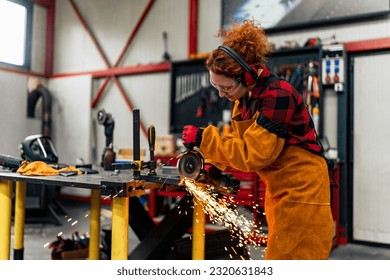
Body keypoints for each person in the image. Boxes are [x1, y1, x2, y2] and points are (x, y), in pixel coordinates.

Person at [182, 19, 334, 260]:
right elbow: (235, 140)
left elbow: (254, 154)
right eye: (216, 86)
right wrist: (214, 164)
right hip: (280, 191)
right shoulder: (243, 100)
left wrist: (204, 139)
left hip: (303, 193)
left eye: (226, 88)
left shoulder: (278, 94)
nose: (222, 94)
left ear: (248, 75)